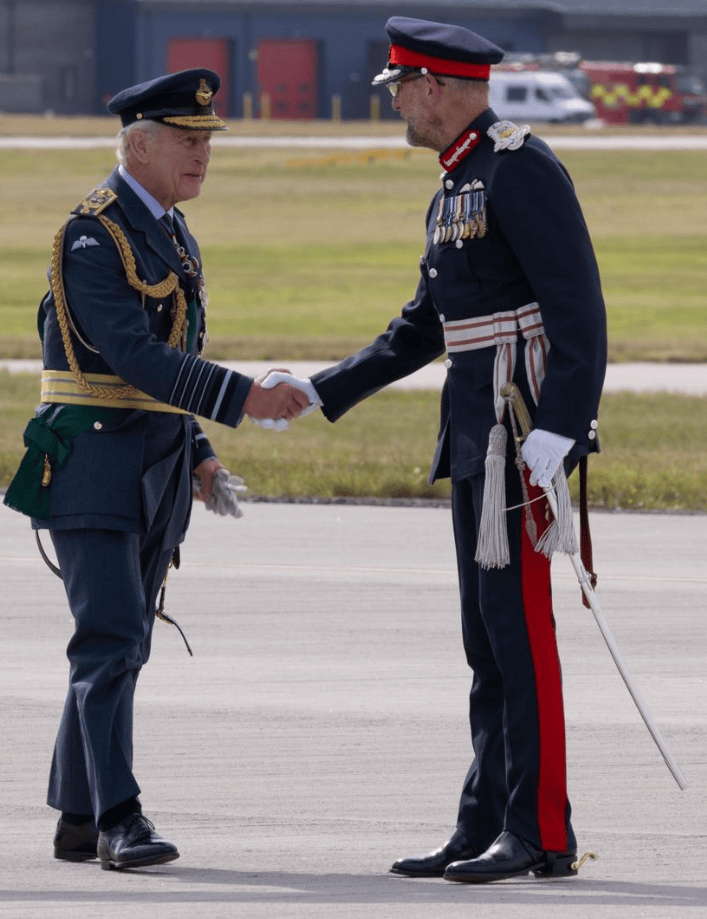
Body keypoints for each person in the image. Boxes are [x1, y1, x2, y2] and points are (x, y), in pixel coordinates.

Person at [281, 17, 607, 883]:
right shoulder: (459, 179)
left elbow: (578, 311)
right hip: (474, 434)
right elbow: (426, 325)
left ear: (435, 86)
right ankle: (484, 819)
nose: (397, 109)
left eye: (401, 92)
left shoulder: (519, 167)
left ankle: (540, 830)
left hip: (520, 436)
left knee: (520, 635)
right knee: (484, 639)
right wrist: (322, 390)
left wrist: (559, 426)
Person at [4, 68, 308, 870]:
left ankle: (78, 815)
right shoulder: (92, 234)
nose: (201, 153)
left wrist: (201, 455)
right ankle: (120, 818)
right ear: (137, 145)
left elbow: (175, 355)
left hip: (154, 464)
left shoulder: (170, 228)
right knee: (109, 641)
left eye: (206, 139)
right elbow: (132, 357)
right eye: (185, 138)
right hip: (93, 462)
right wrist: (240, 399)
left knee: (122, 637)